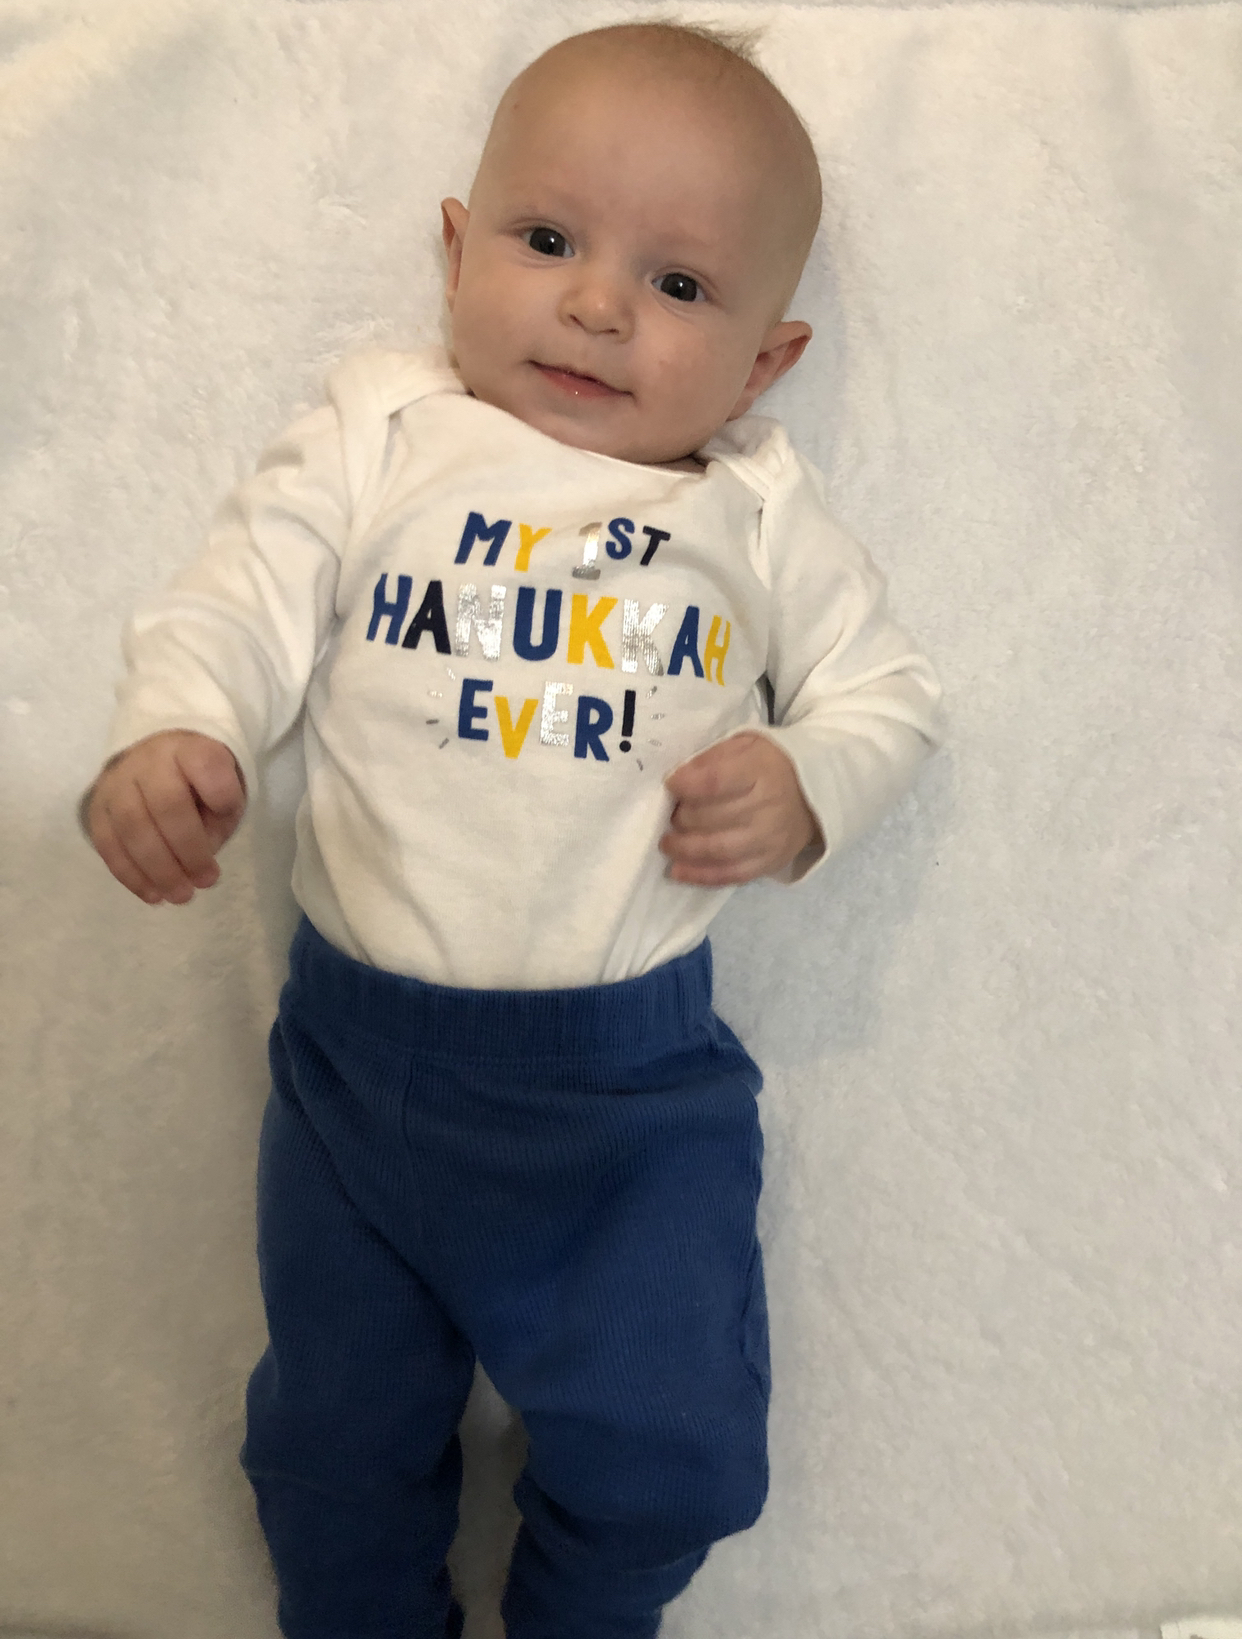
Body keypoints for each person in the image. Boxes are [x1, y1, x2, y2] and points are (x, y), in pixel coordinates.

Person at [85, 20, 943, 1639]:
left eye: (681, 287)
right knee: (333, 1441)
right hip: (360, 1074)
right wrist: (180, 728)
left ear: (766, 363)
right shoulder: (383, 424)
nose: (600, 304)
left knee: (673, 1454)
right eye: (548, 243)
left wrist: (809, 777)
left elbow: (887, 694)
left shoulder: (750, 507)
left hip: (626, 1102)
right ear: (456, 249)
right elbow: (239, 600)